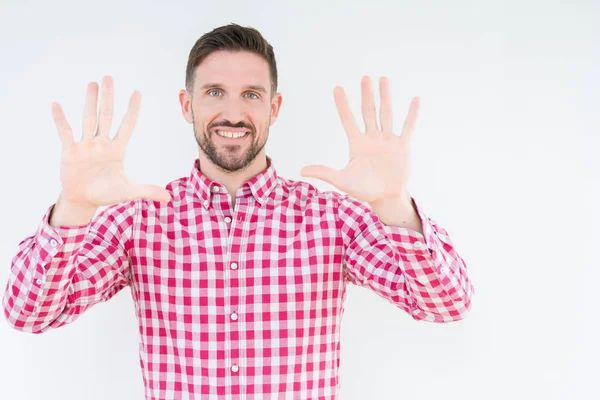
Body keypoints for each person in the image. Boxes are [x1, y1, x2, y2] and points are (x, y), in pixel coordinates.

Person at [2, 23, 474, 399]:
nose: (233, 113)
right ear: (186, 105)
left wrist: (392, 202)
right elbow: (28, 314)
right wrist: (74, 207)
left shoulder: (330, 218)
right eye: (214, 92)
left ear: (275, 107)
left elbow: (447, 304)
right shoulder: (138, 219)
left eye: (251, 94)